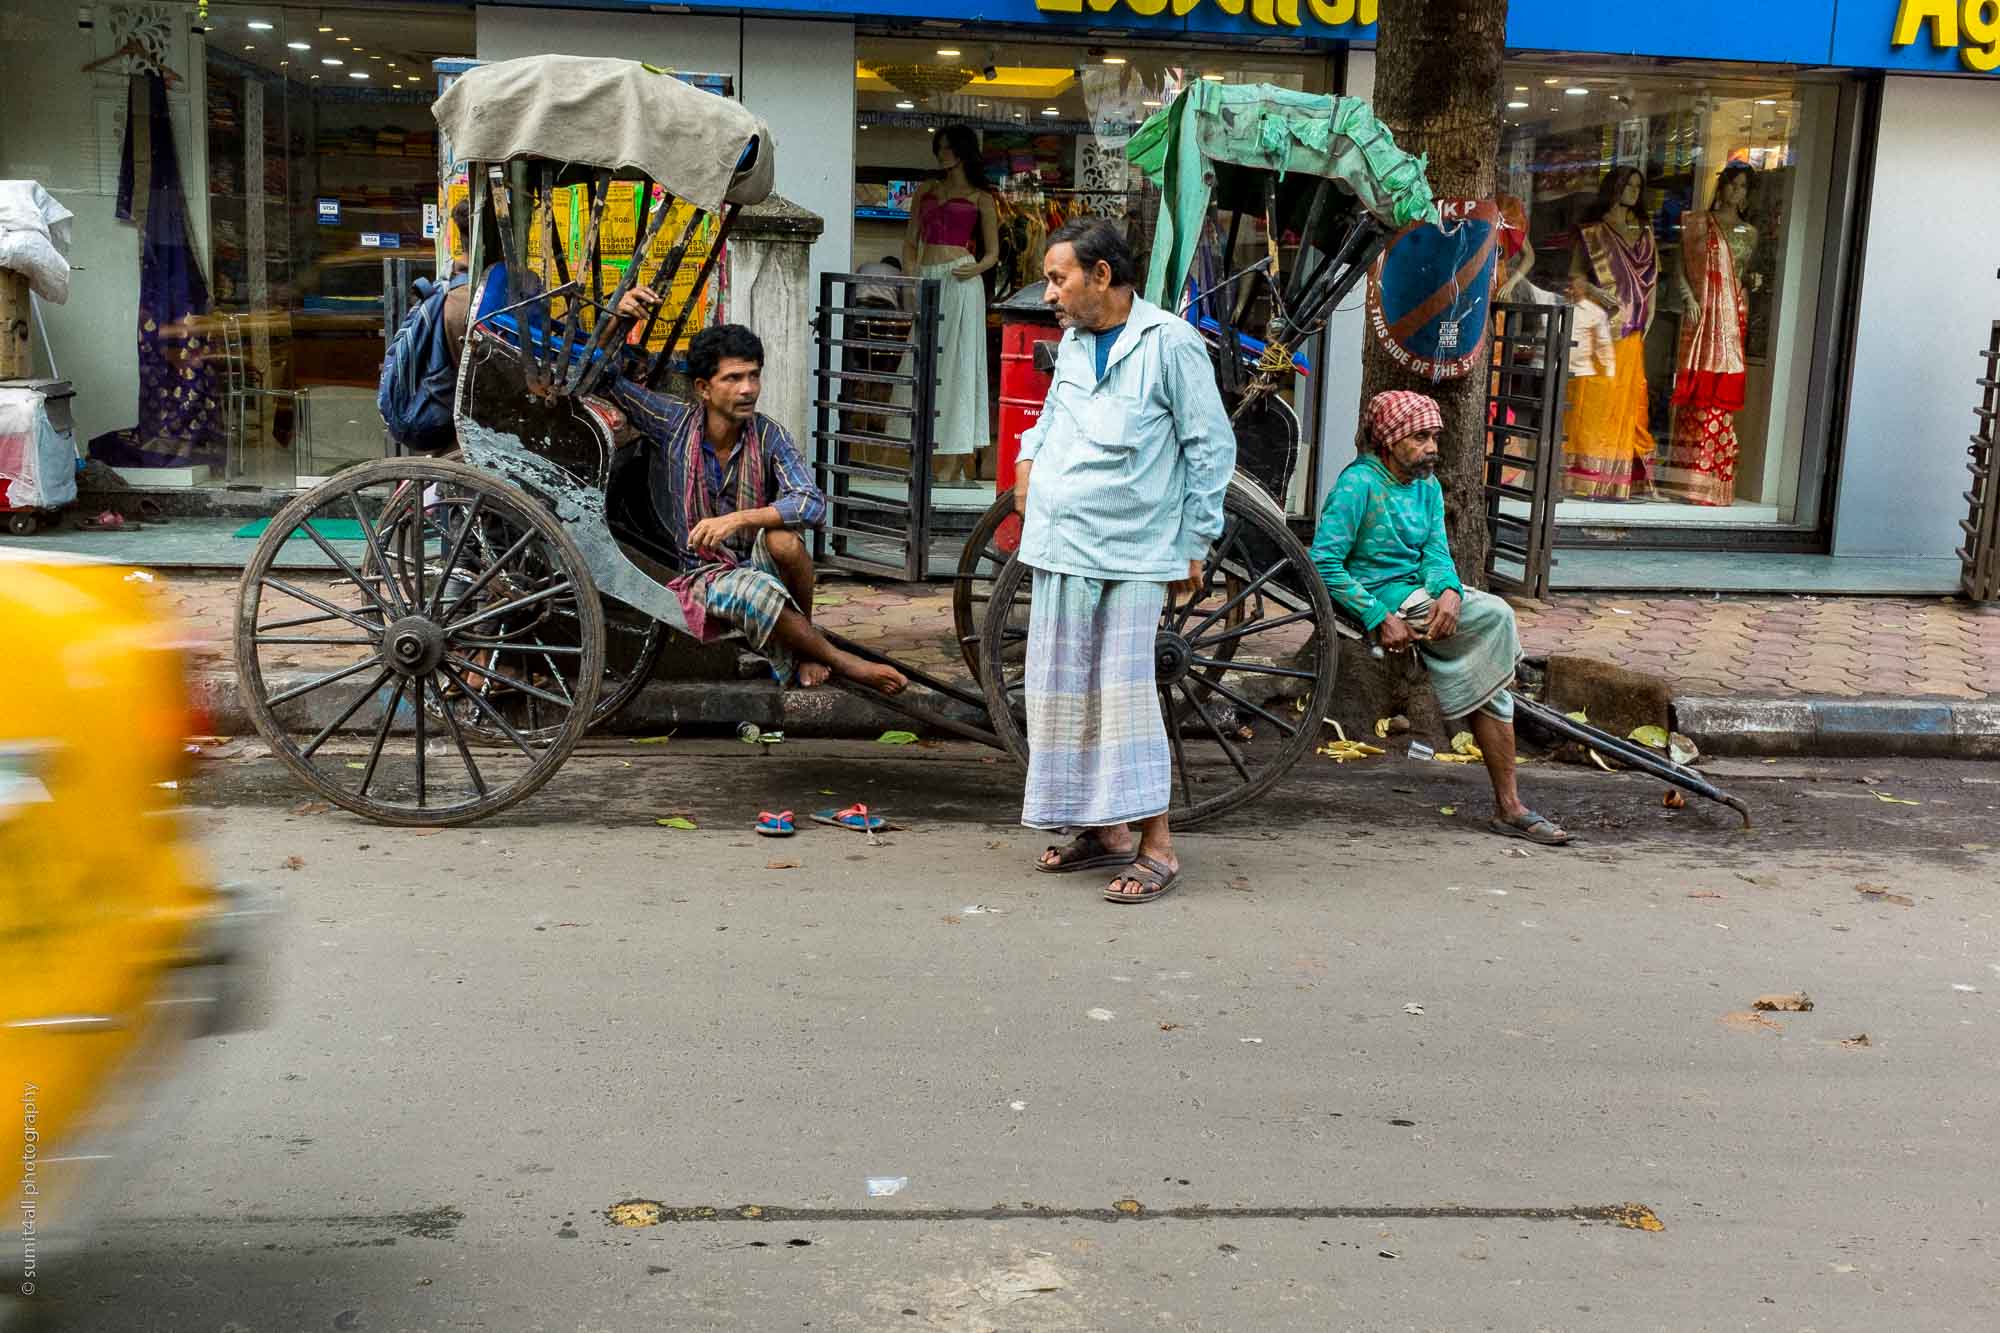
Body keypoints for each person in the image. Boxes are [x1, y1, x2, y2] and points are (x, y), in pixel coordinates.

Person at [1012, 219, 1236, 903]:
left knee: (1124, 699)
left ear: (1101, 275)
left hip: (1133, 551)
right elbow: (1052, 418)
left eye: (1059, 277)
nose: (1049, 293)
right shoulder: (1077, 343)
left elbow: (1210, 445)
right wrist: (1026, 457)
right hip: (1062, 545)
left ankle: (1157, 845)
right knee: (1063, 693)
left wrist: (1196, 541)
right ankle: (1103, 829)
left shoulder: (1168, 342)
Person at [1310, 390, 1570, 846]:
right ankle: (1509, 801)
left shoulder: (1427, 486)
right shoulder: (1358, 485)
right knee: (1497, 616)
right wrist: (1378, 614)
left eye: (1434, 436)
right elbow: (1325, 562)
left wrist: (1449, 590)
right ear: (1390, 441)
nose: (1432, 446)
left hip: (1422, 592)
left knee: (1491, 670)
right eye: (1420, 437)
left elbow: (1436, 552)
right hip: (1384, 594)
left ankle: (1509, 802)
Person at [606, 323, 906, 696]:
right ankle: (845, 663)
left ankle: (804, 644)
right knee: (757, 590)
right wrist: (620, 316)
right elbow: (607, 378)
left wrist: (738, 519)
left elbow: (811, 503)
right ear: (704, 388)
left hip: (755, 561)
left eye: (753, 376)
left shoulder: (768, 435)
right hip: (703, 574)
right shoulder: (676, 423)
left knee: (784, 541)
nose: (747, 389)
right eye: (733, 378)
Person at [903, 124, 1000, 487]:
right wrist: (912, 281)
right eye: (938, 148)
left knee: (960, 366)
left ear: (962, 151)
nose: (941, 154)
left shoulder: (982, 198)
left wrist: (976, 266)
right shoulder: (926, 191)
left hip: (962, 283)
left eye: (947, 148)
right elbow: (910, 241)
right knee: (926, 363)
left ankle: (955, 459)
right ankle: (925, 451)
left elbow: (993, 252)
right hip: (929, 280)